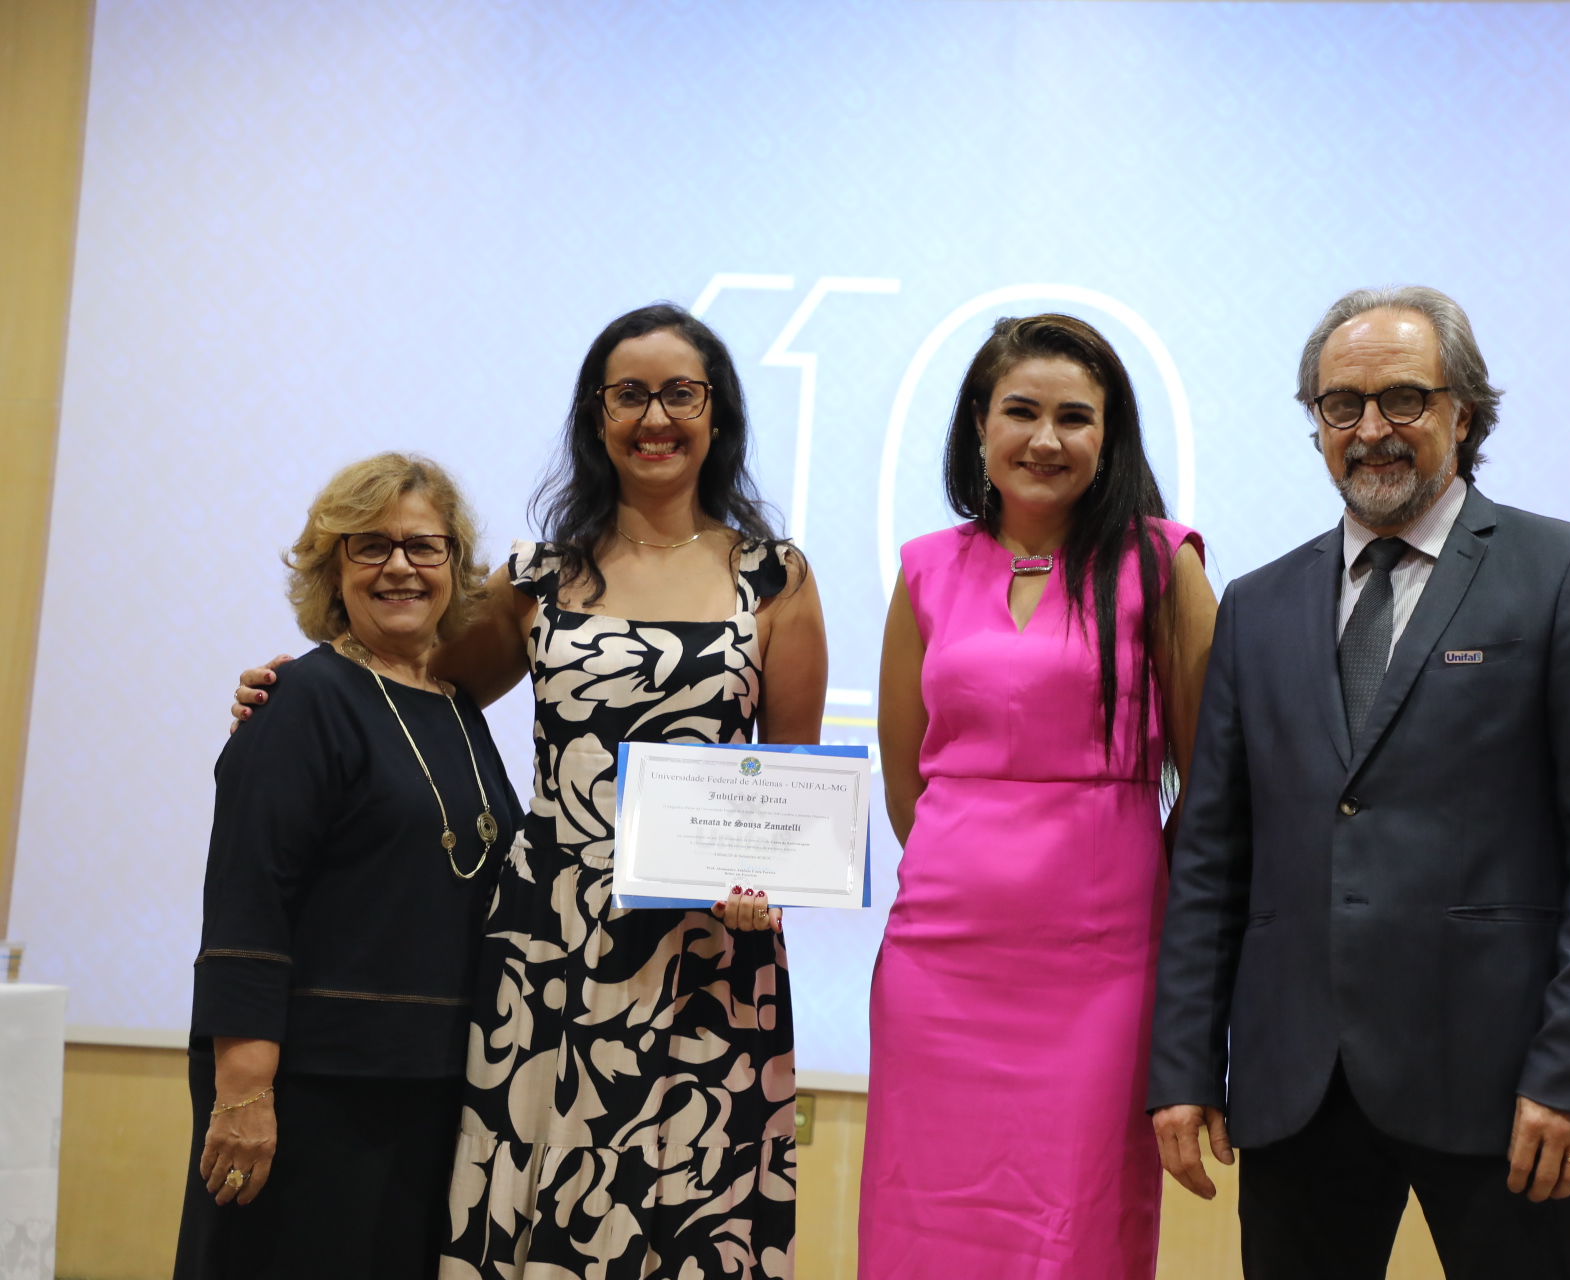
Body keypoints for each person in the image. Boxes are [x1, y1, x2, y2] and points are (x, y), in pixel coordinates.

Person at [231, 304, 827, 1278]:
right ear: (596, 416)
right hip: (549, 946)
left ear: (718, 413)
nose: (655, 417)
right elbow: (405, 680)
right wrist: (294, 687)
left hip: (709, 961)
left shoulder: (775, 579)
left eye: (680, 393)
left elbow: (790, 793)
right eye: (628, 395)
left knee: (693, 1222)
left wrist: (766, 880)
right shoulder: (538, 579)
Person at [1149, 286, 1570, 1279]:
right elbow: (1213, 852)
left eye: (1403, 398)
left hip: (1507, 1088)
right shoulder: (1257, 606)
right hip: (1296, 1083)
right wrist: (1183, 1062)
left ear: (1463, 413)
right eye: (1341, 404)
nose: (1371, 429)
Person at [865, 314, 1218, 1279]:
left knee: (1078, 1224)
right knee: (924, 1216)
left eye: (1075, 417)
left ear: (1110, 438)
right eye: (1021, 411)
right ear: (980, 425)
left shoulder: (1164, 561)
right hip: (939, 960)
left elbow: (1211, 783)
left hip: (1102, 964)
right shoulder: (925, 567)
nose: (1046, 439)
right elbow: (906, 780)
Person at [177, 453, 524, 1279]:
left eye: (425, 546)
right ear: (333, 569)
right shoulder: (301, 699)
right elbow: (249, 899)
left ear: (454, 565)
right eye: (371, 546)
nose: (400, 566)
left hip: (435, 1085)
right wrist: (245, 1090)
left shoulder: (457, 707)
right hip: (313, 1090)